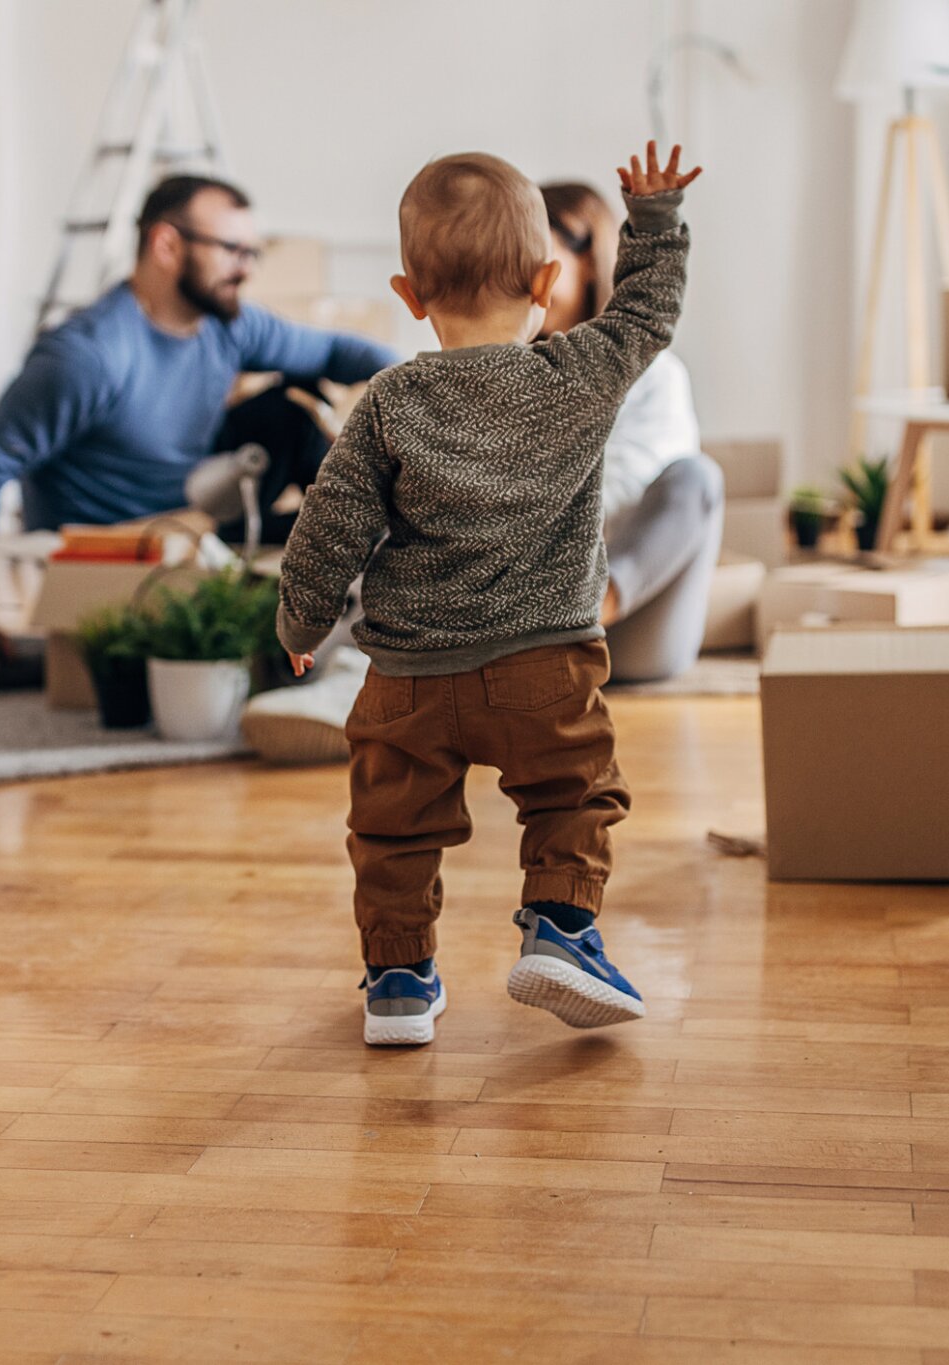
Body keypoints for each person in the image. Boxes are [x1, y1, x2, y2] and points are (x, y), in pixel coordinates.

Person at [276, 143, 699, 1046]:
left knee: (392, 827)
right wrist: (652, 222)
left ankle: (396, 980)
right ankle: (563, 928)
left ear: (409, 295)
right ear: (547, 280)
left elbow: (329, 523)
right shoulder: (576, 373)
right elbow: (646, 316)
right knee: (572, 795)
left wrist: (301, 619)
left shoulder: (391, 401)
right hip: (545, 665)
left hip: (408, 678)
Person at [0, 175, 401, 686]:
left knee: (290, 419)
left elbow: (338, 352)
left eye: (252, 253)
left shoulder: (227, 325)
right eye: (231, 250)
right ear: (166, 244)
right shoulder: (88, 356)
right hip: (121, 555)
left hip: (196, 524)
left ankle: (403, 601)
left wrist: (417, 389)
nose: (245, 270)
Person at [540, 180, 724, 684]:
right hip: (526, 616)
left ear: (585, 258)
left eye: (537, 255)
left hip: (633, 620)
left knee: (696, 479)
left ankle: (578, 617)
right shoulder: (512, 375)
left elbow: (627, 485)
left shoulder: (655, 375)